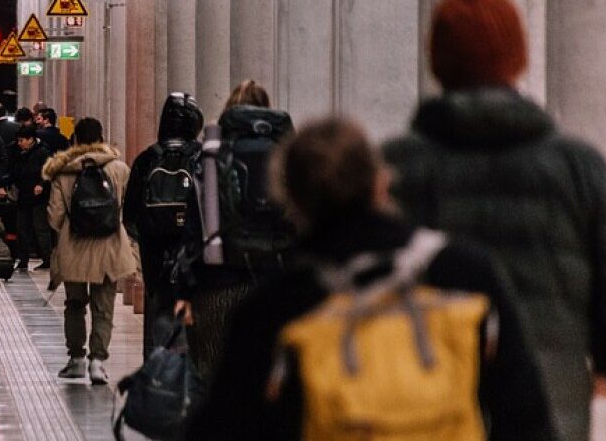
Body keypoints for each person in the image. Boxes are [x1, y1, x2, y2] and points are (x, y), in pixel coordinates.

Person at [383, 0, 606, 441]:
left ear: (438, 63)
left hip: (420, 421)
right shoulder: (577, 170)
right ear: (517, 60)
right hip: (549, 423)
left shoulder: (395, 170)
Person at [190, 116, 554, 440]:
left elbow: (222, 426)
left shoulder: (275, 306)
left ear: (292, 199)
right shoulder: (464, 272)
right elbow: (525, 414)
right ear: (381, 182)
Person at [173, 79, 294, 380]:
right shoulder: (291, 155)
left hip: (218, 285)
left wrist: (183, 291)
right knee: (270, 380)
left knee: (213, 380)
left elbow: (194, 227)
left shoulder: (211, 155)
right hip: (277, 285)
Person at [42, 117, 136, 385]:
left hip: (73, 247)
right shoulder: (119, 169)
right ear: (102, 138)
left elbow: (54, 216)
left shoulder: (63, 171)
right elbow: (127, 209)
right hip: (109, 246)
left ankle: (76, 359)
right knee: (103, 305)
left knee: (74, 304)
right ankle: (98, 361)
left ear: (74, 140)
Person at [122, 92, 203, 358]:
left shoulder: (147, 158)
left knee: (157, 309)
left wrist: (148, 236)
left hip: (155, 253)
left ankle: (157, 372)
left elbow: (130, 213)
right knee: (195, 314)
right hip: (194, 254)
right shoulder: (201, 158)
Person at [2, 126, 55, 270]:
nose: (19, 143)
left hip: (39, 197)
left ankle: (47, 259)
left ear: (31, 139)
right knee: (22, 228)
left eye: (22, 140)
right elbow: (15, 172)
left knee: (40, 228)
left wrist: (41, 184)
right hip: (24, 195)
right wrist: (2, 182)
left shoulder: (43, 152)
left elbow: (49, 172)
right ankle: (23, 259)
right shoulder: (20, 153)